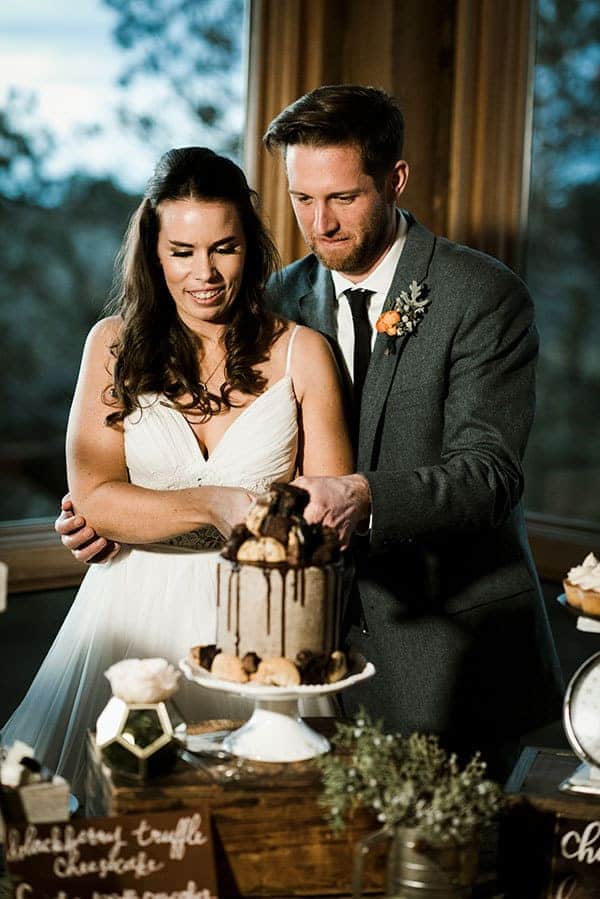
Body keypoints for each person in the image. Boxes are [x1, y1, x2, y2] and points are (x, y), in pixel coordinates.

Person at [57, 86, 564, 782]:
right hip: (289, 640)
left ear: (395, 180)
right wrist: (118, 514)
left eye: (343, 198)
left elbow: (489, 472)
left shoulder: (481, 295)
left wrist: (366, 494)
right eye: (301, 199)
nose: (319, 224)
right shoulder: (273, 297)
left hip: (443, 644)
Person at [2, 146, 353, 798]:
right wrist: (219, 503)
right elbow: (96, 497)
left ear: (249, 245)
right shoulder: (112, 344)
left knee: (259, 833)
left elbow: (328, 526)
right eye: (182, 251)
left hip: (262, 630)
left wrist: (149, 508)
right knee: (108, 837)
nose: (205, 273)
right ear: (151, 251)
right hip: (124, 623)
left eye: (223, 247)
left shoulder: (306, 354)